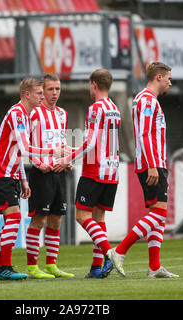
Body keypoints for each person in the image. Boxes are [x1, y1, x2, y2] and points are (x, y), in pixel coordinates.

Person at [0, 77, 66, 281]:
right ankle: (5, 267)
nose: (43, 96)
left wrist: (23, 180)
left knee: (10, 221)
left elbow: (18, 153)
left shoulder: (26, 115)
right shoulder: (18, 114)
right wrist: (52, 151)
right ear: (27, 94)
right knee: (14, 219)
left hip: (9, 173)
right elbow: (25, 149)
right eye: (40, 93)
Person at [108, 62, 179, 278]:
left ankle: (154, 267)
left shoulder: (145, 99)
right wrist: (152, 165)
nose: (170, 82)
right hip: (152, 164)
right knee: (159, 213)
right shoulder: (147, 100)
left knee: (158, 215)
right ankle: (119, 251)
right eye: (168, 77)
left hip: (154, 163)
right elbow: (146, 134)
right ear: (158, 77)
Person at [56, 69, 121, 278]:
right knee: (98, 217)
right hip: (112, 171)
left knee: (82, 216)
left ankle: (110, 253)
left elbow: (90, 143)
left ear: (93, 84)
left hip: (95, 170)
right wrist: (72, 151)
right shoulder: (115, 108)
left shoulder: (95, 109)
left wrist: (68, 158)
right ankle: (95, 268)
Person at [25, 73, 74, 279]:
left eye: (58, 89)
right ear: (42, 92)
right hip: (40, 172)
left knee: (56, 220)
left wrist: (68, 159)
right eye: (50, 89)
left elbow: (61, 144)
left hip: (58, 172)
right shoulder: (34, 114)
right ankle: (32, 266)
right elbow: (24, 144)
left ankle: (52, 264)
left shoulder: (63, 114)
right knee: (39, 220)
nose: (55, 93)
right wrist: (39, 163)